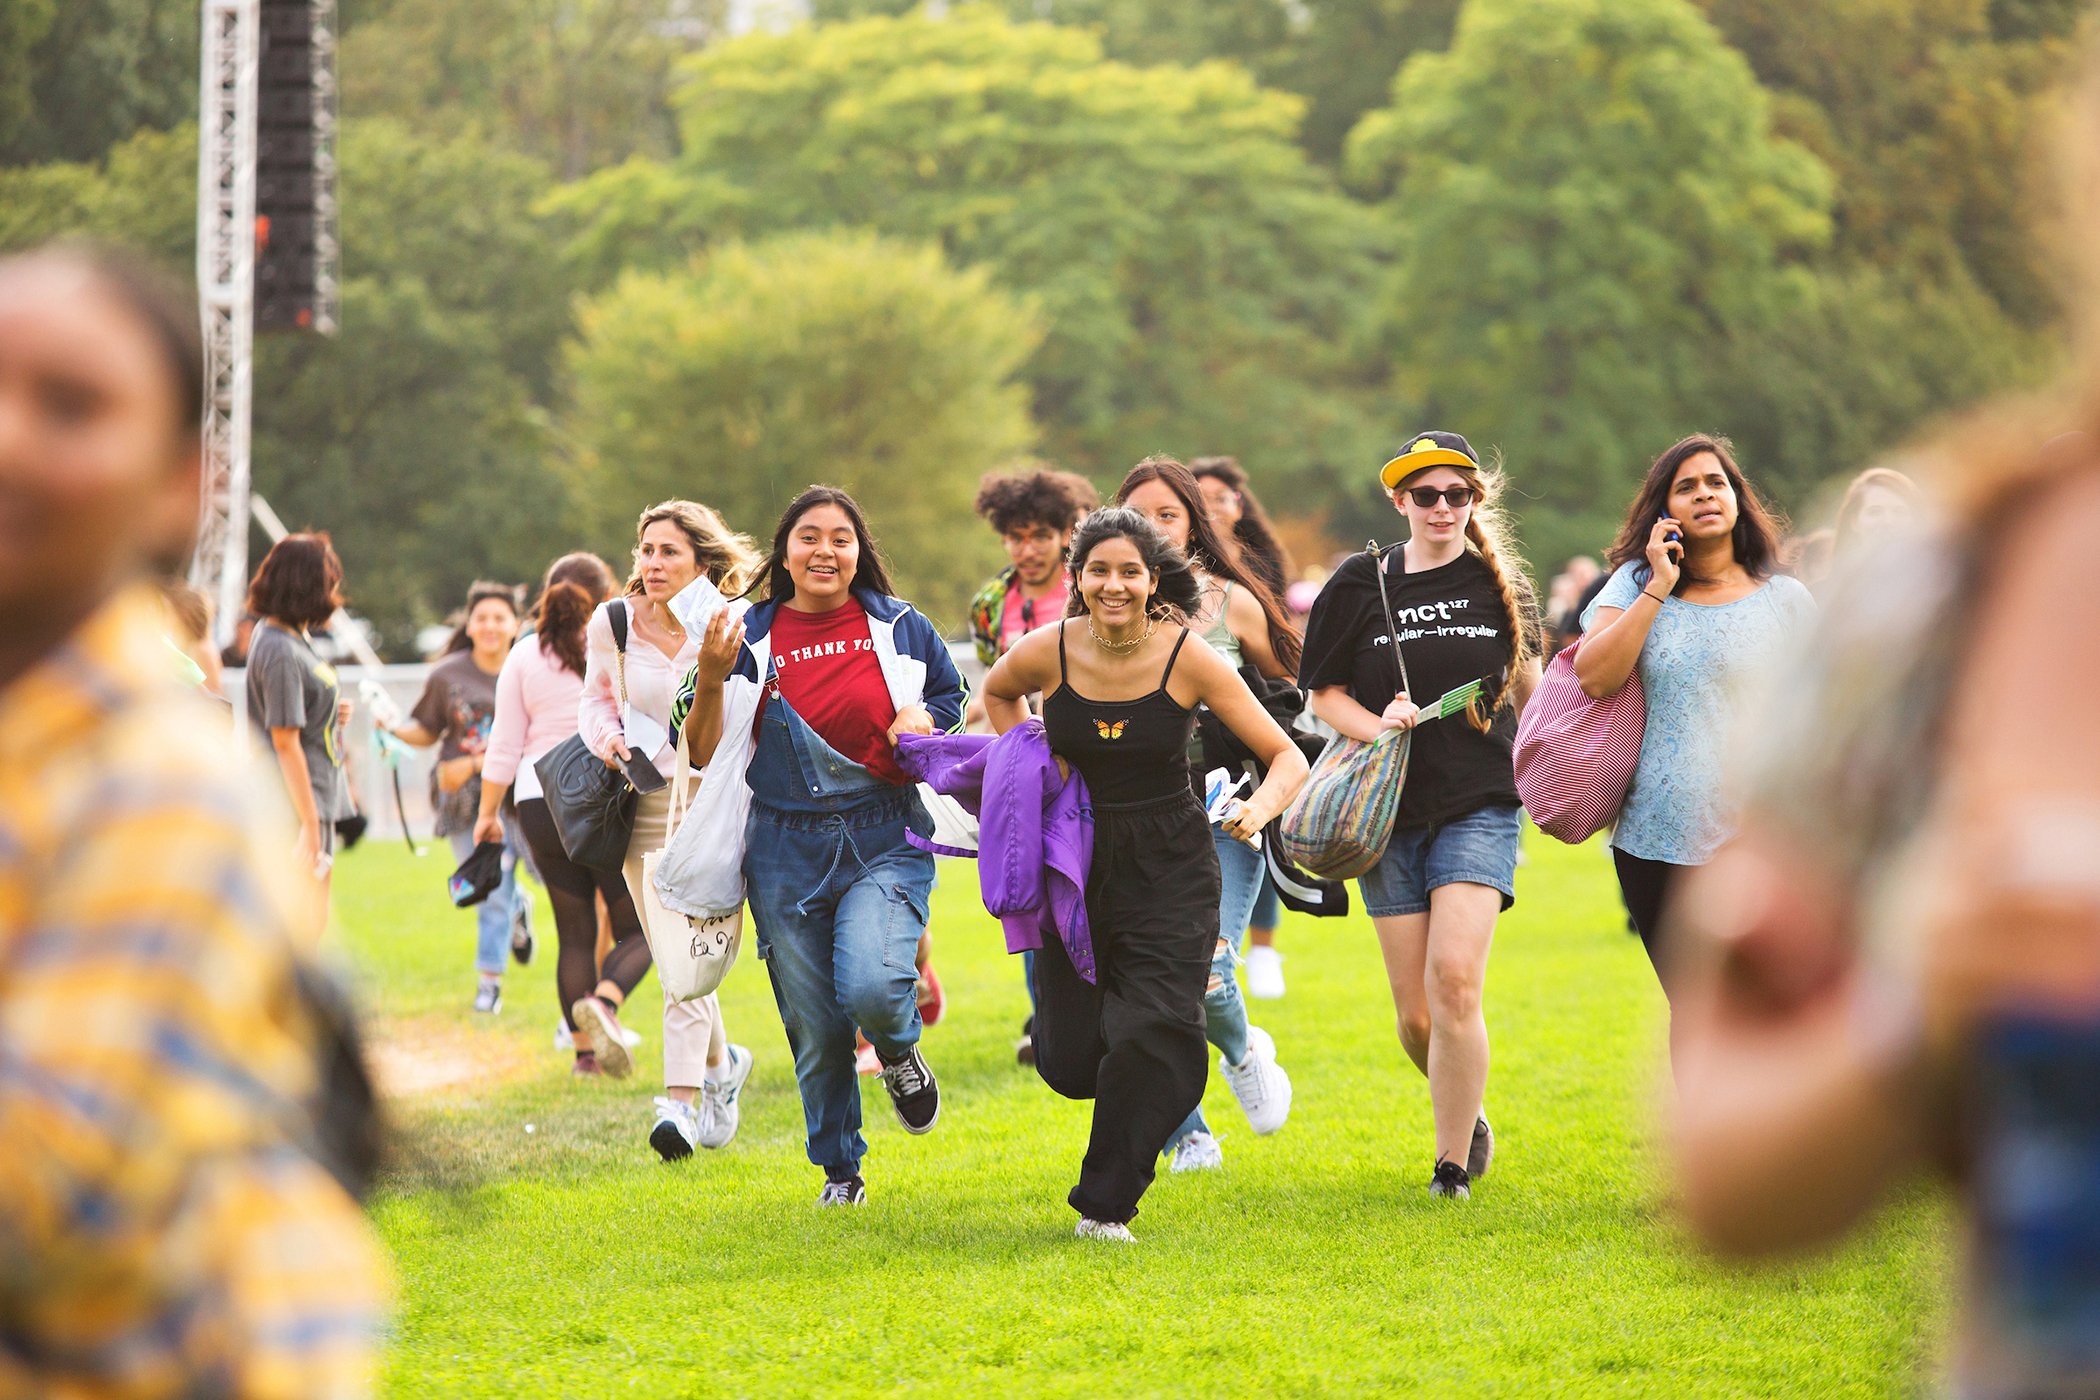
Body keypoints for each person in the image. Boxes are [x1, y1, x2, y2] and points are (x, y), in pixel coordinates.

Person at [0, 242, 385, 1394]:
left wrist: (315, 825)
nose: (9, 435)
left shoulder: (157, 781)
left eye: (69, 406)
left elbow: (50, 1183)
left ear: (184, 483)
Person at [982, 506, 1308, 1240]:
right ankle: (1165, 1076)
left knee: (1158, 1031)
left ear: (1153, 579)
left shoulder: (1189, 656)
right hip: (1076, 860)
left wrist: (1258, 811)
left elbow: (1287, 754)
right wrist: (1034, 759)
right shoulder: (1048, 650)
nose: (1114, 584)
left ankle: (1105, 1205)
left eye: (1130, 571)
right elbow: (997, 694)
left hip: (1171, 862)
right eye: (1099, 570)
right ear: (1079, 578)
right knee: (1068, 1061)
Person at [676, 486, 968, 1208]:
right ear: (785, 551)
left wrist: (922, 717)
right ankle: (841, 1171)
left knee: (871, 983)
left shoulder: (900, 626)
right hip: (781, 846)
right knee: (814, 1023)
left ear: (860, 550)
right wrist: (711, 680)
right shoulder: (742, 632)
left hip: (884, 831)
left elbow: (949, 698)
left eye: (841, 538)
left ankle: (898, 1051)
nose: (826, 551)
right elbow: (701, 749)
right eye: (809, 537)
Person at [1299, 432, 1542, 1202]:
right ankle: (1466, 1115)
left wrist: (1564, 775)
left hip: (1480, 803)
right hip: (1386, 812)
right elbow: (1324, 694)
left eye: (1458, 494)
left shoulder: (1499, 585)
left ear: (1476, 501)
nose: (1443, 507)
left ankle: (1447, 1170)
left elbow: (1536, 696)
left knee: (1456, 982)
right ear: (1399, 501)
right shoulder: (1358, 582)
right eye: (1426, 494)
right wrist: (1381, 725)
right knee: (1415, 1020)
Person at [1574, 434, 1814, 1034]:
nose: (1705, 494)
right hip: (1658, 840)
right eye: (1686, 487)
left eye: (1716, 482)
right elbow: (1596, 676)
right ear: (1665, 512)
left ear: (1737, 499)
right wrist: (1658, 581)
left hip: (1766, 840)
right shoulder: (1632, 586)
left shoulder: (1786, 599)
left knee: (1769, 1012)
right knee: (1698, 1014)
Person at [1117, 456, 1301, 1171]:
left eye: (1169, 514)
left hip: (1227, 817)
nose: (1154, 527)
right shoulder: (1098, 605)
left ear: (1194, 522)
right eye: (1140, 513)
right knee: (1145, 982)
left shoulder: (1235, 603)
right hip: (1129, 822)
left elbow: (1287, 704)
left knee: (1205, 965)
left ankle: (1242, 1050)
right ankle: (1187, 1132)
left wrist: (1263, 788)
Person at [580, 501, 759, 1158]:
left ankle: (677, 1107)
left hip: (712, 806)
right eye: (646, 550)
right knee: (674, 954)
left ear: (702, 562)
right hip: (641, 803)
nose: (652, 564)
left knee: (682, 949)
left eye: (668, 553)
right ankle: (721, 1064)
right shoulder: (614, 620)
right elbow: (596, 698)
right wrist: (606, 737)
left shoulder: (733, 624)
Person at [478, 553, 656, 1076]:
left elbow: (504, 743)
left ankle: (585, 1056)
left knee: (573, 930)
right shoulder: (617, 643)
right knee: (641, 927)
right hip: (600, 797)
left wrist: (487, 814)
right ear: (603, 595)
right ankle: (605, 1001)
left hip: (536, 800)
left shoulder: (523, 654)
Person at [966, 466, 1099, 1061]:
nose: (1027, 549)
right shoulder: (991, 605)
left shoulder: (1093, 587)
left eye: (1040, 535)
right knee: (1028, 885)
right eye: (1015, 537)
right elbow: (995, 685)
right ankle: (1042, 1019)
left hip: (1095, 758)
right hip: (1029, 767)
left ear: (1068, 533)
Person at [390, 581, 533, 1013]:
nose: (490, 626)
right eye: (481, 618)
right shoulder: (446, 675)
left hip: (519, 795)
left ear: (516, 625)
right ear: (469, 625)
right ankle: (491, 981)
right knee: (483, 887)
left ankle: (513, 916)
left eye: (499, 618)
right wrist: (390, 728)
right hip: (462, 802)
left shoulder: (530, 668)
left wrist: (477, 762)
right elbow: (426, 731)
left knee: (507, 887)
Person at [1190, 455, 1296, 999]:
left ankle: (1264, 945)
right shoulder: (1132, 581)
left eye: (1221, 495)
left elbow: (1282, 672)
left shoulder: (1255, 573)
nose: (1210, 505)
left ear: (1239, 504)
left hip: (1235, 769)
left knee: (1255, 821)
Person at [245, 531, 355, 902]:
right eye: (328, 582)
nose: (334, 592)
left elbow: (297, 708)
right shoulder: (279, 649)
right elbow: (283, 739)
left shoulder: (293, 636)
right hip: (295, 804)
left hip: (315, 796)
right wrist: (308, 824)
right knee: (305, 920)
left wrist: (329, 711)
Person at [1832, 465, 1922, 560]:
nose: (1888, 521)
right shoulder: (1840, 574)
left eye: (1899, 512)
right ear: (1854, 521)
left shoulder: (1935, 573)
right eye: (1875, 512)